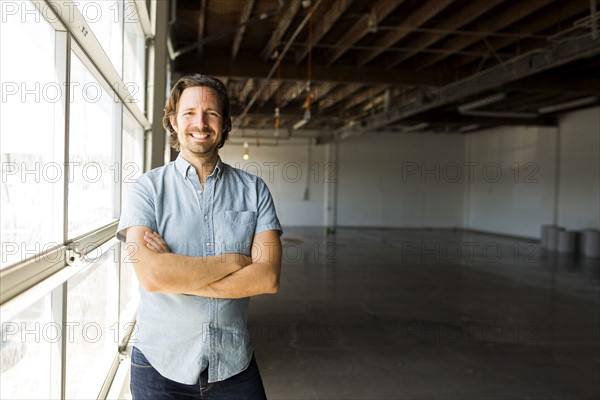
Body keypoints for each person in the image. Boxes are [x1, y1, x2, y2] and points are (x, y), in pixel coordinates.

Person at [116, 73, 283, 399]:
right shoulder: (147, 190)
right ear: (173, 122)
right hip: (159, 367)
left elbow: (267, 278)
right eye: (189, 113)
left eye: (211, 113)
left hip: (233, 364)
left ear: (224, 123)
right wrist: (236, 261)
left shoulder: (254, 190)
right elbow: (151, 276)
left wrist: (177, 276)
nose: (200, 122)